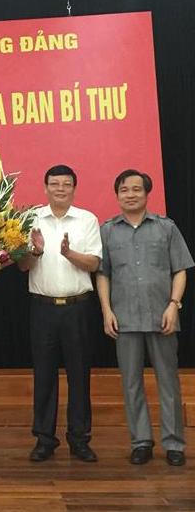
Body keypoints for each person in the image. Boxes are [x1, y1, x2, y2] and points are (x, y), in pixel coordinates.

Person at [96, 169, 193, 467]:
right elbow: (103, 274)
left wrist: (174, 305)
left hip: (162, 316)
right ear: (117, 195)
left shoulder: (166, 227)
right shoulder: (108, 231)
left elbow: (180, 269)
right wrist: (106, 310)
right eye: (124, 190)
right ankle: (140, 442)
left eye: (136, 189)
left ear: (147, 193)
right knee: (131, 383)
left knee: (168, 382)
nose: (131, 195)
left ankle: (173, 444)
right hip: (124, 319)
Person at [18, 164, 101, 463]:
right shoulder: (31, 219)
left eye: (66, 184)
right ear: (45, 187)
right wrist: (36, 251)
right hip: (43, 309)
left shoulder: (87, 219)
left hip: (78, 308)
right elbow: (22, 266)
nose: (60, 189)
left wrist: (69, 254)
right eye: (55, 184)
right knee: (44, 376)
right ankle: (44, 439)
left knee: (79, 375)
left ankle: (79, 439)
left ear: (74, 188)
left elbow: (94, 264)